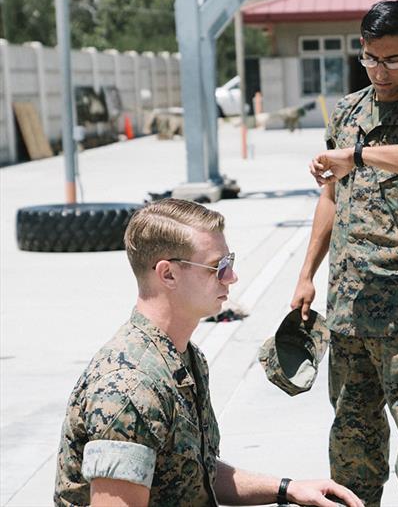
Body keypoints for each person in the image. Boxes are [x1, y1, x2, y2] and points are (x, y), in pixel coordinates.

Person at [54, 198, 363, 507]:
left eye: (229, 263)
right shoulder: (130, 388)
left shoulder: (186, 357)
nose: (231, 277)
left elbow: (196, 474)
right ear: (168, 274)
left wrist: (288, 488)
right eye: (218, 267)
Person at [291, 0, 398, 507]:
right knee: (351, 470)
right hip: (349, 317)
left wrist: (359, 155)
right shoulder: (347, 112)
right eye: (369, 58)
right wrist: (306, 275)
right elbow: (330, 197)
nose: (379, 71)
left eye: (392, 59)